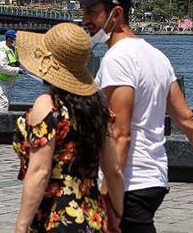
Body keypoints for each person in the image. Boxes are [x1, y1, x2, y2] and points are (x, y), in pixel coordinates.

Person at [67, 0, 193, 233]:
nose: (84, 19)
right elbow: (188, 120)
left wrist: (108, 199)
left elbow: (120, 134)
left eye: (91, 11)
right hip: (153, 179)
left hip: (129, 182)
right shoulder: (157, 56)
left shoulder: (117, 59)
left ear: (116, 14)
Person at [13, 22, 124, 233]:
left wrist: (21, 225)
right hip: (92, 217)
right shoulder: (98, 107)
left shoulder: (47, 105)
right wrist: (117, 216)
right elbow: (113, 170)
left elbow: (40, 171)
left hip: (54, 217)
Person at [0, 29, 23, 112]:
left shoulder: (14, 50)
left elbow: (18, 62)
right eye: (14, 39)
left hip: (8, 80)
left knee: (6, 101)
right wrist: (17, 70)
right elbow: (2, 67)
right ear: (9, 39)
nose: (16, 41)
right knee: (2, 102)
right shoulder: (2, 52)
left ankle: (1, 119)